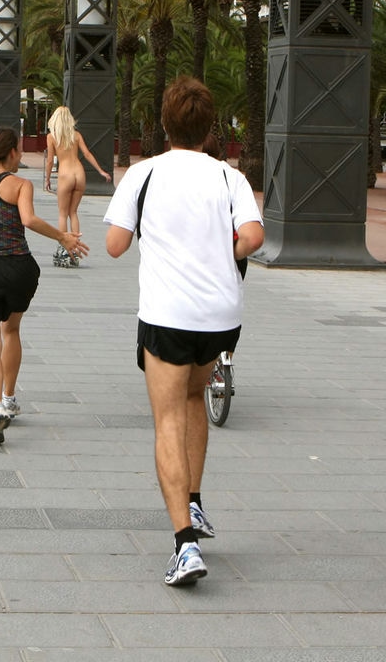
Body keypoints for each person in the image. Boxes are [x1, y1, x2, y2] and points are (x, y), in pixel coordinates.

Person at [103, 77, 264, 587]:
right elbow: (253, 236)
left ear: (163, 124)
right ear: (209, 126)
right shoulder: (229, 177)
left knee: (168, 418)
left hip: (168, 313)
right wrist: (221, 253)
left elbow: (114, 245)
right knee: (195, 397)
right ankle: (193, 501)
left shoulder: (144, 173)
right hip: (221, 317)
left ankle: (184, 545)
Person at [0, 126, 87, 446]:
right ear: (12, 153)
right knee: (12, 330)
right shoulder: (20, 185)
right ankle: (9, 398)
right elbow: (28, 220)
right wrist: (63, 237)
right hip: (18, 268)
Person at [43, 106, 112, 268]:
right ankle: (75, 248)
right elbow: (87, 154)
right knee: (73, 212)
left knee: (62, 214)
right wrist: (101, 171)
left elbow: (50, 160)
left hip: (65, 174)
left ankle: (64, 248)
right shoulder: (76, 135)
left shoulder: (52, 137)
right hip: (79, 174)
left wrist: (47, 178)